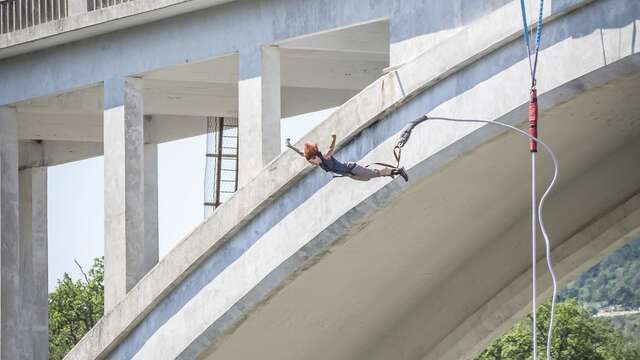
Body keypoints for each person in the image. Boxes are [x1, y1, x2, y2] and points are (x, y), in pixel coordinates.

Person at [286, 135, 408, 182]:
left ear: (316, 155)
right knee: (369, 178)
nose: (314, 163)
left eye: (313, 160)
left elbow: (330, 149)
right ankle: (387, 172)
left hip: (352, 168)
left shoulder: (325, 158)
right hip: (350, 174)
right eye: (311, 161)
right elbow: (302, 154)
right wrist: (291, 146)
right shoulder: (317, 163)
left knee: (374, 175)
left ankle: (398, 171)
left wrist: (333, 139)